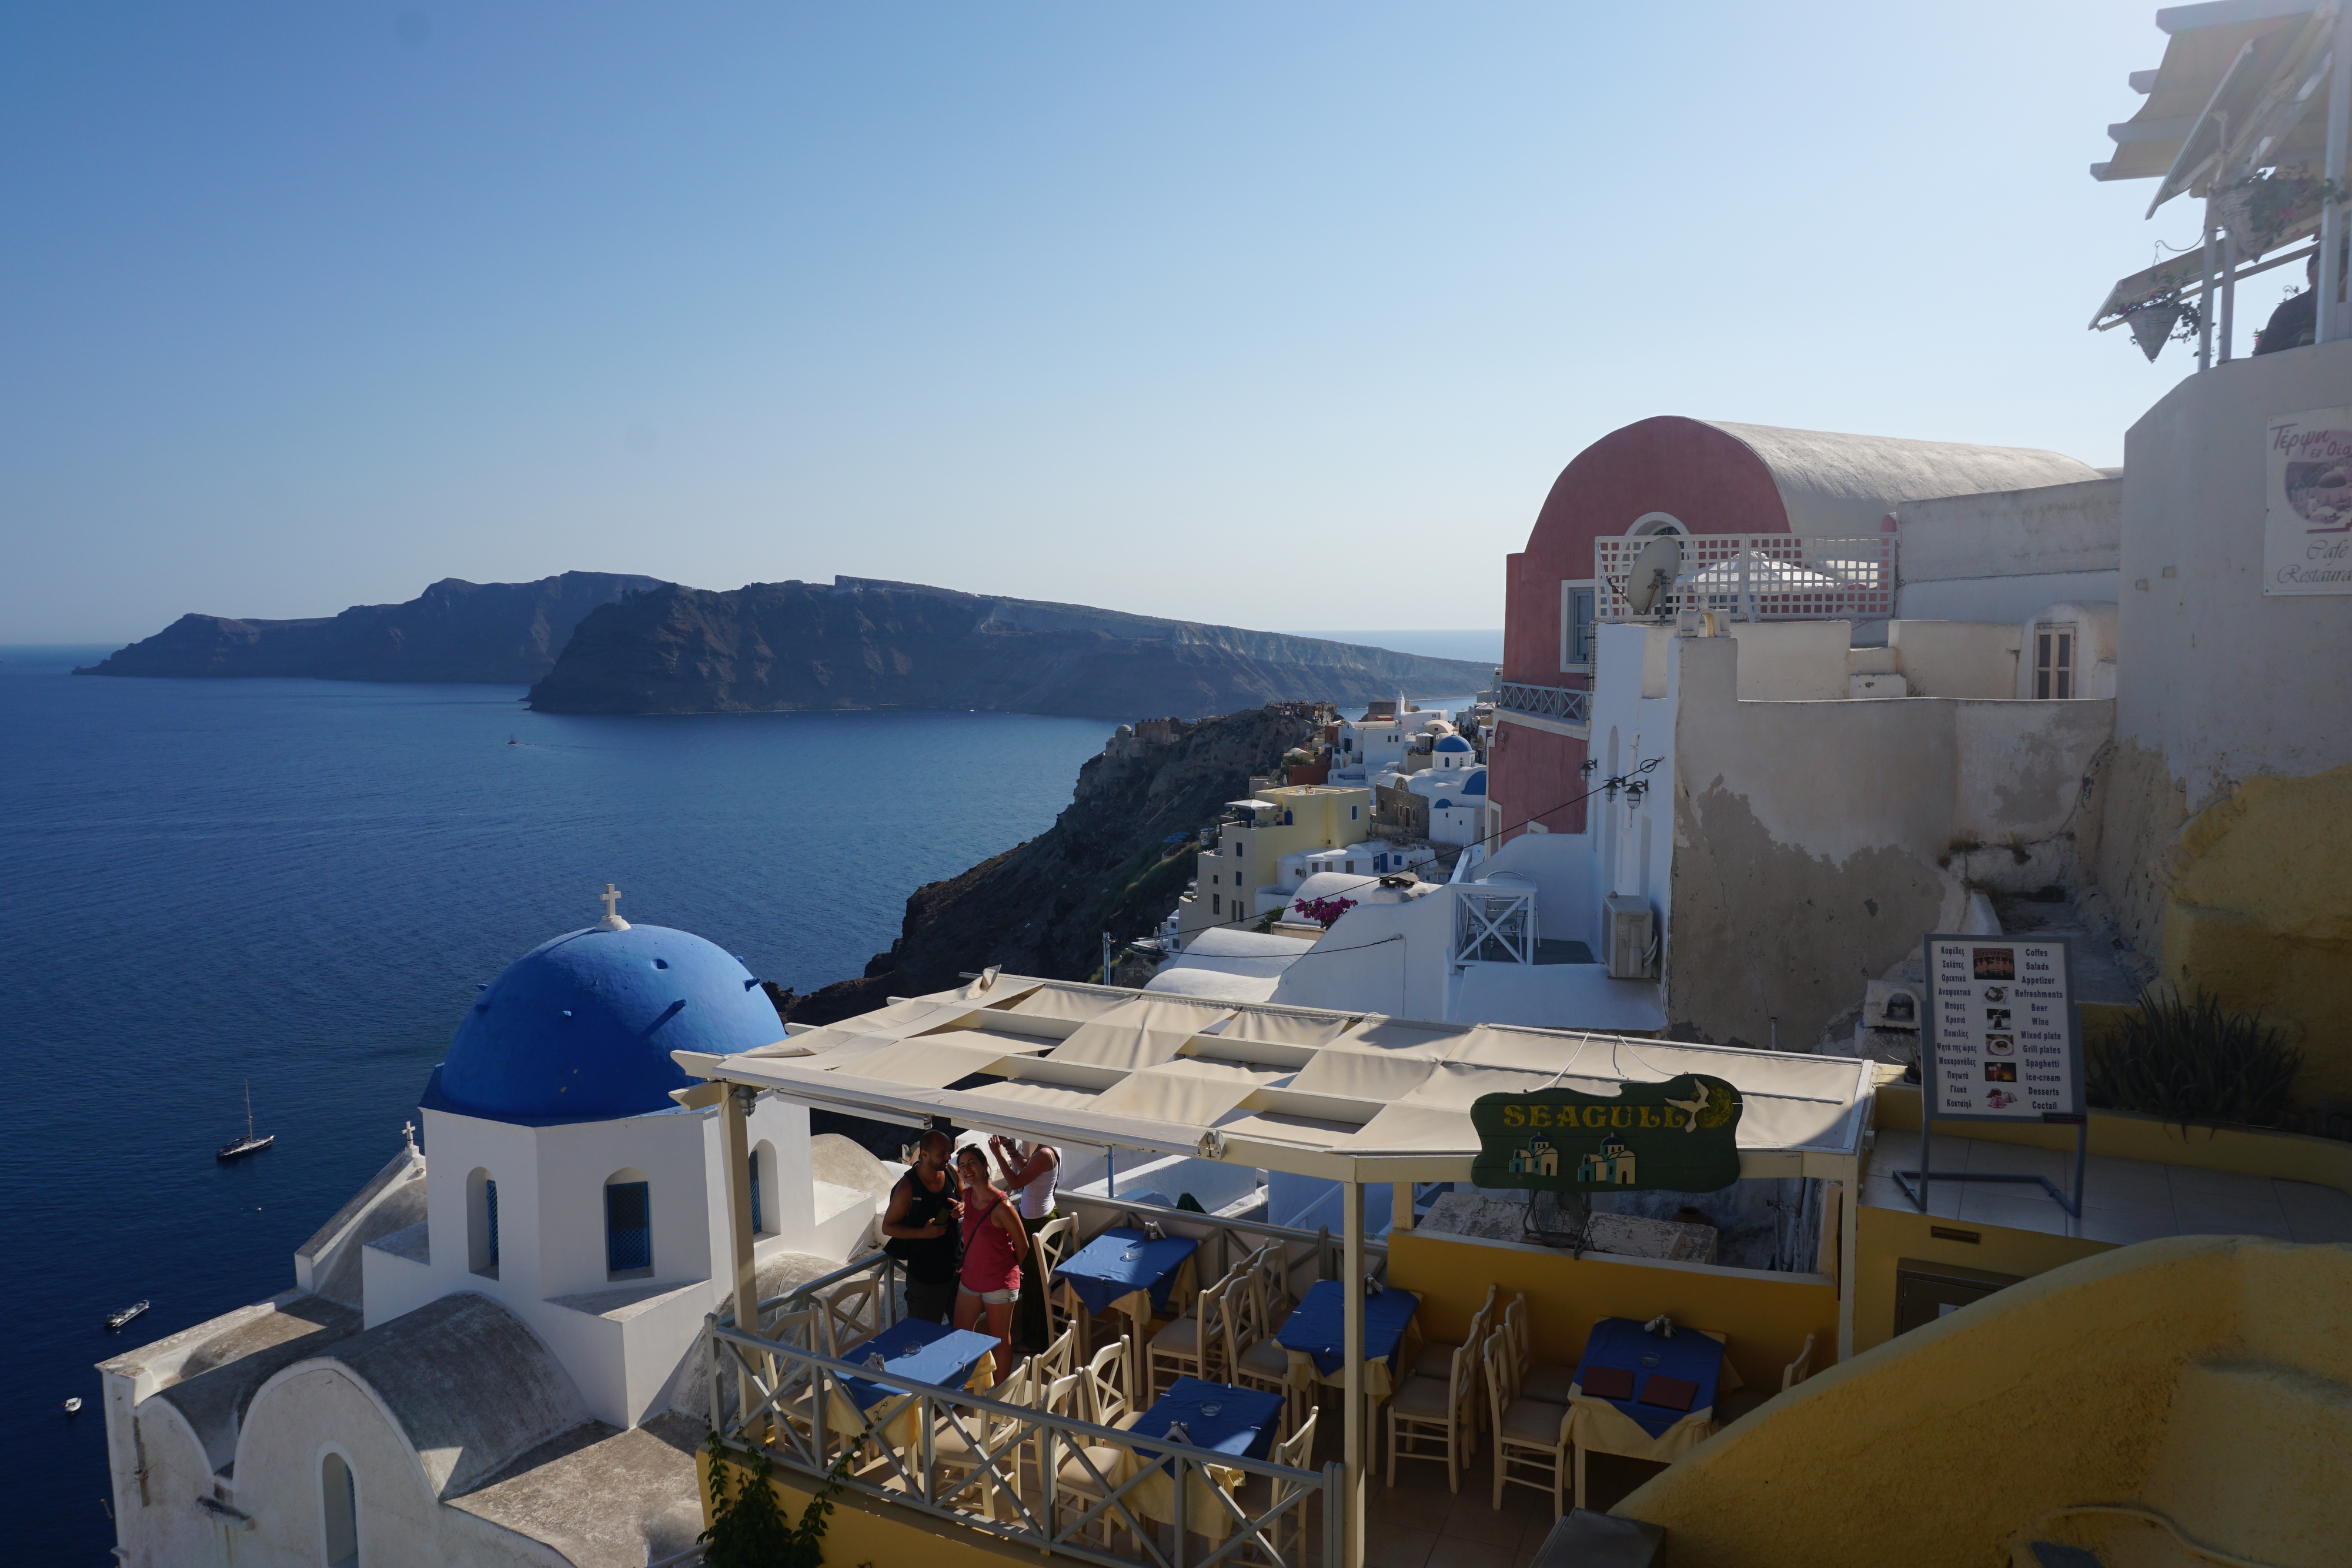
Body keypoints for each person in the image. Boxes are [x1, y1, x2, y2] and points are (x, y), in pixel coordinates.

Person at [954, 1144, 1029, 1381]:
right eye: (962, 1166)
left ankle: (998, 1394)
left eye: (972, 1163)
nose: (966, 1170)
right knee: (960, 1335)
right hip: (970, 1279)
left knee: (999, 1340)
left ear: (985, 1166)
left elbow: (1024, 1246)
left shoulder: (1002, 1206)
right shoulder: (967, 1196)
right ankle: (964, 1387)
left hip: (999, 1283)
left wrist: (1008, 1269)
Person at [880, 1130, 962, 1323]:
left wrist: (963, 1205)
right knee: (924, 1336)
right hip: (926, 1278)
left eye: (949, 1151)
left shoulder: (951, 1171)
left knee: (961, 1332)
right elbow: (888, 1227)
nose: (948, 1157)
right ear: (924, 1154)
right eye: (942, 1153)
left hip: (956, 1271)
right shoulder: (908, 1187)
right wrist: (924, 1233)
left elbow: (964, 1193)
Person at [990, 1134, 1061, 1351]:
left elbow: (1016, 1182)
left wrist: (998, 1155)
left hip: (1037, 1224)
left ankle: (1036, 1342)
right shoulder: (1047, 1149)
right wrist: (1010, 1147)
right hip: (1042, 1218)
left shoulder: (1044, 1154)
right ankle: (1044, 1335)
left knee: (1035, 1284)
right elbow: (1027, 1168)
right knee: (1038, 1281)